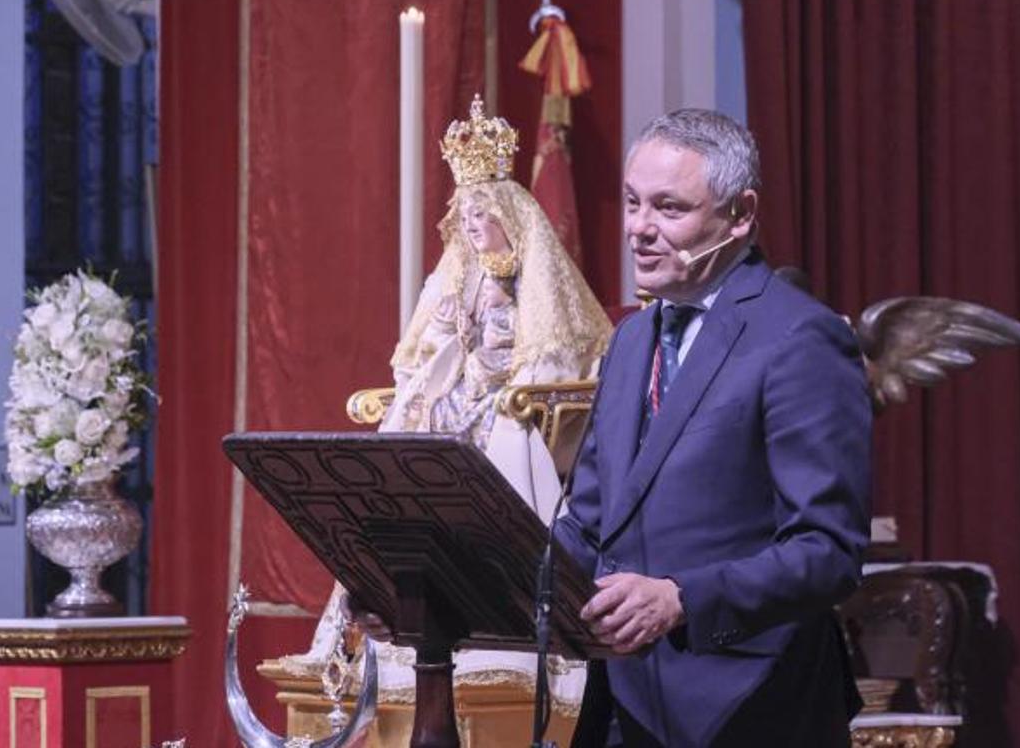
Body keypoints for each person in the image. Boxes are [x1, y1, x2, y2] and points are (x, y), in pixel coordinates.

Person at [554, 109, 872, 747]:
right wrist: (467, 579)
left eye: (669, 209)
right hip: (622, 703)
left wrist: (682, 599)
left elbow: (827, 550)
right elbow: (587, 524)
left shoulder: (799, 338)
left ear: (741, 213)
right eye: (632, 203)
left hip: (751, 705)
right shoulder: (631, 338)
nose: (639, 229)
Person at [300, 96, 610, 715]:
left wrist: (499, 369)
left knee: (501, 437)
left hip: (507, 403)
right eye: (463, 215)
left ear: (508, 219)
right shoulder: (457, 277)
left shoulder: (530, 280)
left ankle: (500, 628)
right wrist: (440, 356)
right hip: (457, 399)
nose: (470, 226)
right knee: (404, 436)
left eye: (481, 215)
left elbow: (548, 358)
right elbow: (428, 348)